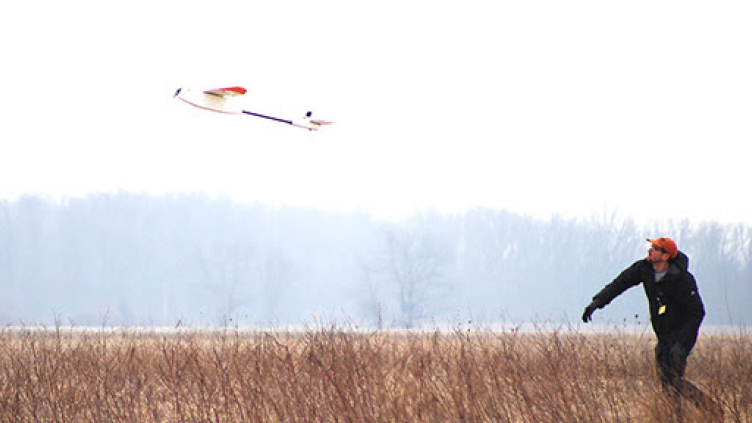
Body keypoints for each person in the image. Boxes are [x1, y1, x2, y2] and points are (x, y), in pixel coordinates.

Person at [582, 237, 721, 418]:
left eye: (655, 249)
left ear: (665, 256)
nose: (650, 250)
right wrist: (597, 302)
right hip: (663, 334)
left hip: (681, 335)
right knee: (666, 381)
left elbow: (697, 313)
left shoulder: (682, 279)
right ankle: (676, 417)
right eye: (651, 247)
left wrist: (681, 343)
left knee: (673, 379)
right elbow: (620, 283)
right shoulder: (644, 268)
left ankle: (711, 409)